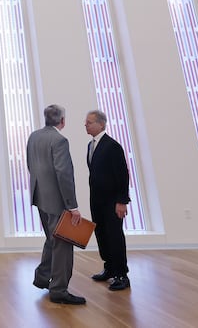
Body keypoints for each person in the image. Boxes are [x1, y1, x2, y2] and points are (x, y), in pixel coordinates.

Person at [26, 104, 86, 305]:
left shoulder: (34, 137)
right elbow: (64, 174)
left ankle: (42, 278)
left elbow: (30, 165)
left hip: (40, 197)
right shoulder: (60, 140)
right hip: (57, 201)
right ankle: (59, 290)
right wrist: (72, 206)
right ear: (62, 121)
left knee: (52, 240)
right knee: (63, 243)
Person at [85, 109, 131, 291]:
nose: (85, 125)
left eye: (89, 122)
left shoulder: (112, 146)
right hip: (97, 200)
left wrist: (122, 201)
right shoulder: (91, 145)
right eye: (86, 122)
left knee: (114, 236)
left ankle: (121, 274)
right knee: (102, 235)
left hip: (112, 202)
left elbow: (122, 175)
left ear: (101, 124)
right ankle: (109, 268)